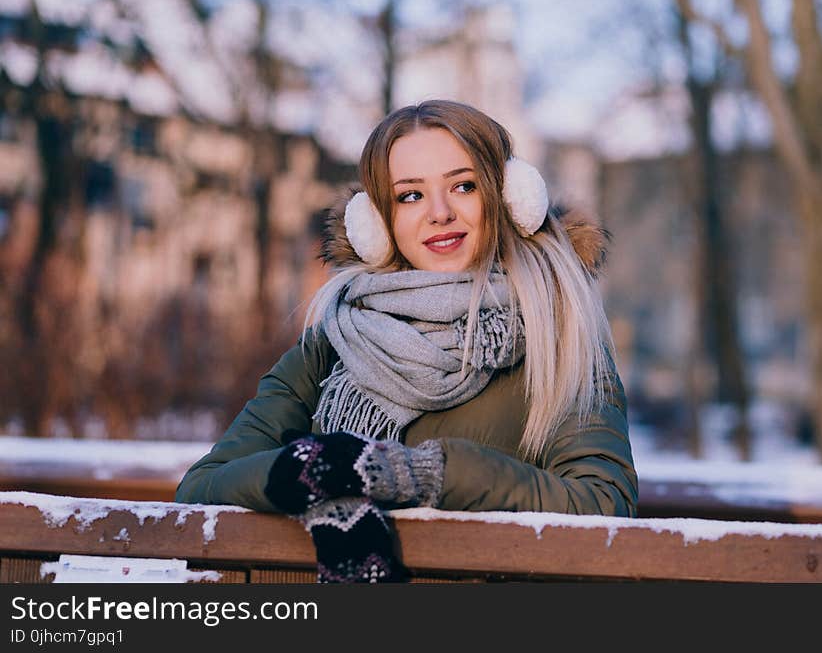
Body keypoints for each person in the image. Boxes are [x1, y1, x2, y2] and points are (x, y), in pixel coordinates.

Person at [175, 99, 638, 583]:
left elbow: (602, 504)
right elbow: (203, 487)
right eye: (410, 196)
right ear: (378, 223)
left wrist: (426, 474)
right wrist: (317, 474)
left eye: (464, 186)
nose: (439, 213)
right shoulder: (334, 340)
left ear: (507, 199)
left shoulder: (559, 334)